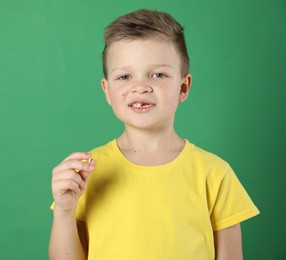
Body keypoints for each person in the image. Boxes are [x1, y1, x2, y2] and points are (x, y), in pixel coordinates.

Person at [49, 9, 259, 260]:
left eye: (158, 74)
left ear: (183, 87)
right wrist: (63, 210)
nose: (140, 87)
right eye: (124, 76)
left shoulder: (215, 173)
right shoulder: (86, 173)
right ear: (107, 90)